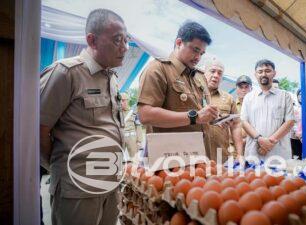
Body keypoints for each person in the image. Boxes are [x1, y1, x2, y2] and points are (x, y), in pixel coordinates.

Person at [40, 9, 128, 225]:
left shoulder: (111, 77)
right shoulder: (66, 73)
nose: (125, 48)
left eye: (126, 40)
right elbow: (37, 129)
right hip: (78, 186)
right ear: (92, 40)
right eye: (118, 40)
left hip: (111, 181)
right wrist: (60, 168)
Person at [137, 22, 218, 158]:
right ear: (179, 42)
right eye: (195, 50)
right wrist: (195, 117)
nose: (198, 57)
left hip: (200, 154)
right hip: (171, 159)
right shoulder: (158, 69)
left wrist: (213, 117)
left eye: (202, 53)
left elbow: (201, 111)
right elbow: (145, 115)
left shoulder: (199, 76)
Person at [241, 59, 295, 160]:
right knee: (253, 175)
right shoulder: (248, 97)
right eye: (260, 71)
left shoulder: (284, 96)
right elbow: (244, 122)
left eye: (267, 71)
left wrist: (269, 143)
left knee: (280, 176)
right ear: (255, 74)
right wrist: (260, 140)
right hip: (254, 151)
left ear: (274, 73)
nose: (263, 74)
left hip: (279, 152)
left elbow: (290, 122)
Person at [204, 59, 243, 162]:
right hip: (196, 156)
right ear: (204, 72)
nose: (216, 75)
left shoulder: (229, 98)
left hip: (221, 156)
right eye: (212, 71)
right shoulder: (193, 94)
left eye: (220, 73)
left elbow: (236, 125)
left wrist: (239, 154)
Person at [121, 92, 143, 158]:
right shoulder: (117, 113)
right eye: (120, 100)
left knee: (134, 159)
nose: (121, 103)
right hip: (121, 138)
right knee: (118, 158)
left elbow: (138, 126)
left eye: (123, 100)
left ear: (127, 101)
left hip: (132, 138)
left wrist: (139, 141)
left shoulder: (133, 112)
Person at [235, 75, 252, 147]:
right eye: (241, 87)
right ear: (236, 89)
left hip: (251, 144)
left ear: (251, 89)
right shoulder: (231, 105)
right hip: (233, 145)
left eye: (246, 87)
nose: (243, 90)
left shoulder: (256, 107)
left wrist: (247, 140)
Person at [290, 89, 302, 159]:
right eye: (299, 95)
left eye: (303, 94)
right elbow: (292, 122)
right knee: (296, 157)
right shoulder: (294, 108)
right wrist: (297, 133)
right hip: (295, 137)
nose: (301, 96)